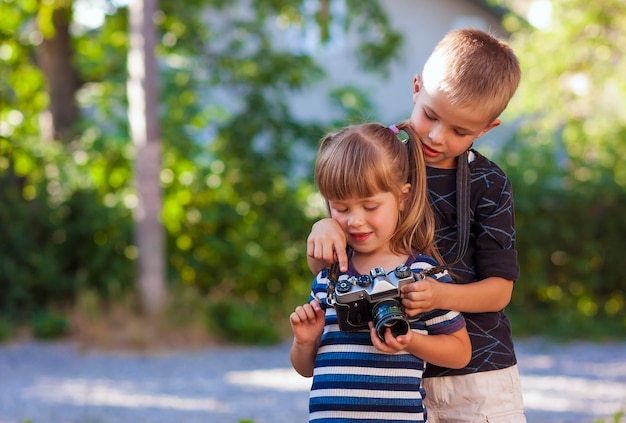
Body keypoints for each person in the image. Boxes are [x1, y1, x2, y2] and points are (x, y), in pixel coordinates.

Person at [306, 28, 527, 422]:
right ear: (416, 88)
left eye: (460, 131)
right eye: (430, 115)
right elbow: (334, 261)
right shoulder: (380, 158)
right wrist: (325, 225)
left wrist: (440, 296)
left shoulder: (489, 183)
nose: (437, 136)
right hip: (392, 375)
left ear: (487, 128)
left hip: (476, 375)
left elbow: (499, 291)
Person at [290, 121, 471, 423]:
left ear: (402, 198)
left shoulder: (421, 275)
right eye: (341, 209)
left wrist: (410, 340)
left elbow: (460, 352)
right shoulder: (330, 277)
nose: (355, 222)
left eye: (370, 206)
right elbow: (306, 368)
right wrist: (305, 341)